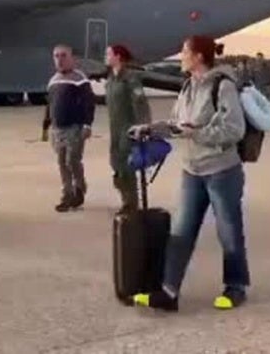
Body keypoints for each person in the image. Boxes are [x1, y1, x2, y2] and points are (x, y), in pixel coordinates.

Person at [130, 35, 249, 312]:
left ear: (198, 56)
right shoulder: (187, 86)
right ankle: (169, 292)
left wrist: (194, 133)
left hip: (222, 170)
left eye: (184, 51)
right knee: (181, 232)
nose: (180, 56)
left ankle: (236, 287)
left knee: (229, 232)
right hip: (192, 170)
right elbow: (177, 123)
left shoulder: (223, 85)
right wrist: (150, 128)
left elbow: (234, 130)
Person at [41, 44, 96, 212]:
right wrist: (45, 126)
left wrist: (87, 125)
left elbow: (89, 104)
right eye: (56, 56)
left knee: (72, 160)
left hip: (75, 127)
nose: (60, 59)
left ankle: (79, 187)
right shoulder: (53, 81)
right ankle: (67, 195)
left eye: (63, 55)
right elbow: (49, 104)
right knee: (62, 163)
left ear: (71, 58)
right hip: (57, 129)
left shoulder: (80, 79)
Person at [104, 44, 152, 213]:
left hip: (128, 130)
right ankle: (126, 198)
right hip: (114, 130)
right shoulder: (111, 78)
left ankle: (131, 203)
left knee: (126, 167)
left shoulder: (130, 78)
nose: (106, 56)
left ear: (118, 57)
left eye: (108, 54)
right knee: (115, 165)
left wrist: (144, 126)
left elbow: (140, 103)